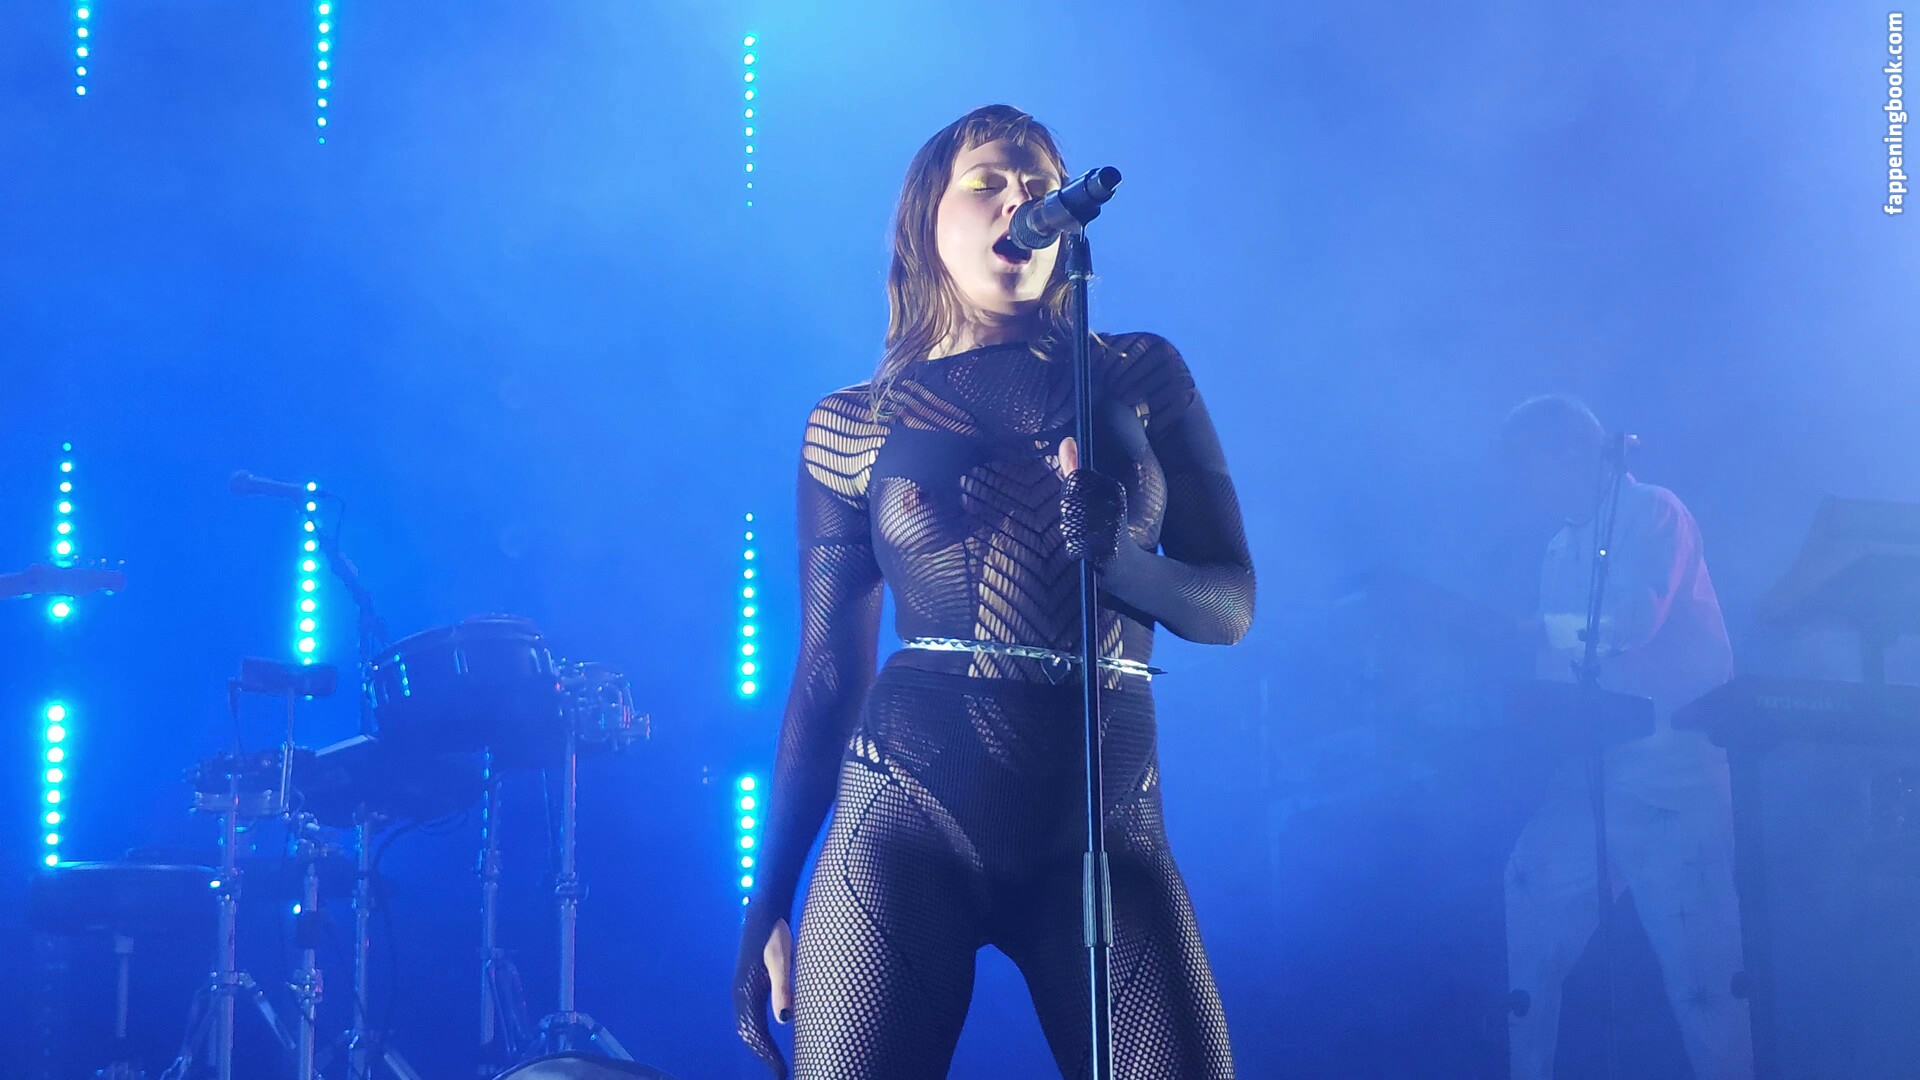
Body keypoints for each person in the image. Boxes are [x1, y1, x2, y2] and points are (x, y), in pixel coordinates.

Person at [731, 104, 1255, 1079]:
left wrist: (1123, 564)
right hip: (905, 818)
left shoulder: (1140, 372)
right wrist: (767, 901)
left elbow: (1230, 608)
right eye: (987, 183)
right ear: (925, 220)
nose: (1019, 200)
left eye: (1036, 184)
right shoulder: (854, 422)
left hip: (1107, 835)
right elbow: (828, 671)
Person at [1499, 395, 1752, 1080]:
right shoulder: (1557, 547)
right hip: (1595, 782)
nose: (1525, 488)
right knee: (1526, 893)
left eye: (1529, 467)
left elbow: (1635, 619)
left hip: (1676, 786)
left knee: (1705, 990)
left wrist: (1534, 634)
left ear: (1576, 452)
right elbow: (1556, 676)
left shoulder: (1656, 511)